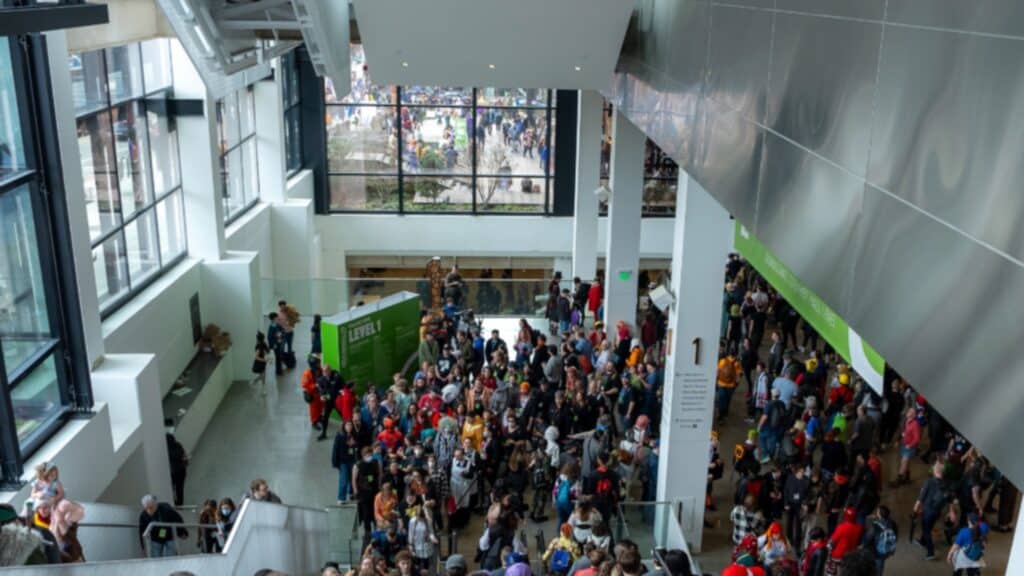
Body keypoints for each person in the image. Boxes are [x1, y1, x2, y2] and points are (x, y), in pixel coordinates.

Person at [913, 460, 947, 561]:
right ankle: (922, 541)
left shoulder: (929, 482)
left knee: (926, 530)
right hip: (937, 511)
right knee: (929, 526)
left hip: (928, 510)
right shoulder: (945, 483)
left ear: (935, 470)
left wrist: (915, 509)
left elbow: (921, 497)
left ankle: (931, 552)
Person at [354, 446, 382, 537]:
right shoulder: (358, 465)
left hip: (374, 490)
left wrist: (379, 486)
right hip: (363, 492)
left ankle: (376, 529)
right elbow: (354, 480)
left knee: (375, 511)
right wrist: (356, 491)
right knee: (366, 512)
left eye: (370, 454)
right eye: (367, 455)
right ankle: (367, 531)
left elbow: (379, 475)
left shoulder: (375, 463)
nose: (369, 456)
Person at [862, 505, 897, 575]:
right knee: (880, 566)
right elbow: (895, 537)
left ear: (879, 514)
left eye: (877, 511)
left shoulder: (875, 525)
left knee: (870, 566)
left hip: (874, 551)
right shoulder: (893, 524)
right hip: (885, 551)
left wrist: (863, 546)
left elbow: (868, 538)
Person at [332, 420, 358, 504]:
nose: (349, 427)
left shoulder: (354, 435)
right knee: (343, 480)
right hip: (343, 462)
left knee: (352, 479)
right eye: (347, 425)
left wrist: (354, 444)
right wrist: (335, 462)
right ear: (344, 426)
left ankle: (350, 493)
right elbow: (335, 449)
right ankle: (341, 497)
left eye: (350, 425)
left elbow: (356, 448)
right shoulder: (340, 436)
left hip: (352, 461)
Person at [165, 423, 188, 506]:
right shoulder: (178, 445)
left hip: (173, 473)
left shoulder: (167, 450)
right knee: (180, 489)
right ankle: (180, 504)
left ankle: (174, 503)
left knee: (172, 489)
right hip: (181, 471)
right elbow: (183, 456)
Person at [251, 331, 270, 396]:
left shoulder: (262, 344)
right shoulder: (259, 346)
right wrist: (265, 360)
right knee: (263, 376)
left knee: (263, 376)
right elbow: (256, 357)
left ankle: (255, 382)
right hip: (260, 363)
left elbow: (267, 351)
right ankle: (262, 389)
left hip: (262, 362)